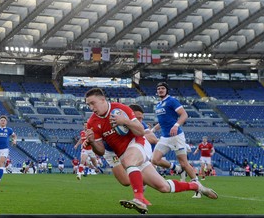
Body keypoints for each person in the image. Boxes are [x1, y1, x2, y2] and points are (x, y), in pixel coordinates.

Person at [83, 88, 218, 214]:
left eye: (93, 103)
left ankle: (139, 199)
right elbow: (100, 151)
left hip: (137, 143)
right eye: (88, 105)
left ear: (102, 100)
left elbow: (141, 131)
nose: (91, 108)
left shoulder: (121, 109)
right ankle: (194, 186)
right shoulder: (92, 123)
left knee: (129, 161)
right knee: (163, 187)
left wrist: (125, 121)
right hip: (122, 153)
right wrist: (93, 142)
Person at [150, 82, 199, 184]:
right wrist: (153, 130)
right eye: (158, 89)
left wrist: (176, 125)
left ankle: (197, 185)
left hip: (176, 136)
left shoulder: (172, 101)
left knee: (184, 163)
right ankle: (177, 168)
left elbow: (184, 114)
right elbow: (163, 121)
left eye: (163, 88)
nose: (160, 90)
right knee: (154, 159)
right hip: (165, 138)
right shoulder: (158, 105)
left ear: (167, 90)